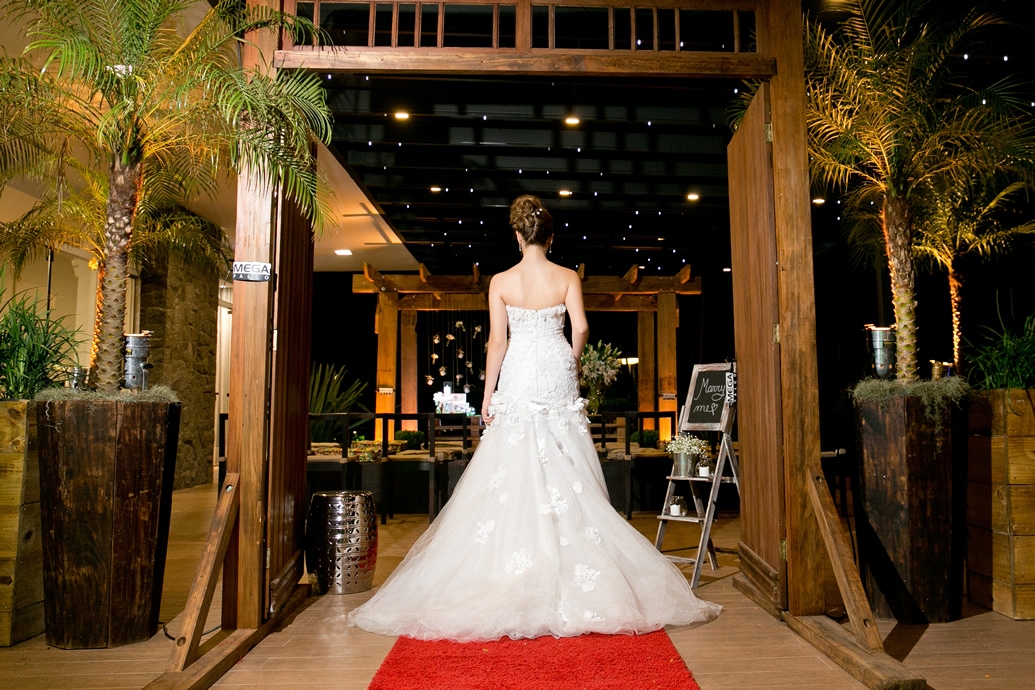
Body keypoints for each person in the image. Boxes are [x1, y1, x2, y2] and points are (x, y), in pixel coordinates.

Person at [347, 195, 721, 641]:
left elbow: (497, 343)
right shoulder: (566, 277)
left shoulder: (501, 281)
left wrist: (487, 395)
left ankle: (516, 565)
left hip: (522, 368)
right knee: (564, 460)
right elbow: (580, 327)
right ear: (551, 235)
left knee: (514, 459)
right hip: (557, 366)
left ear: (518, 235)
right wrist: (571, 360)